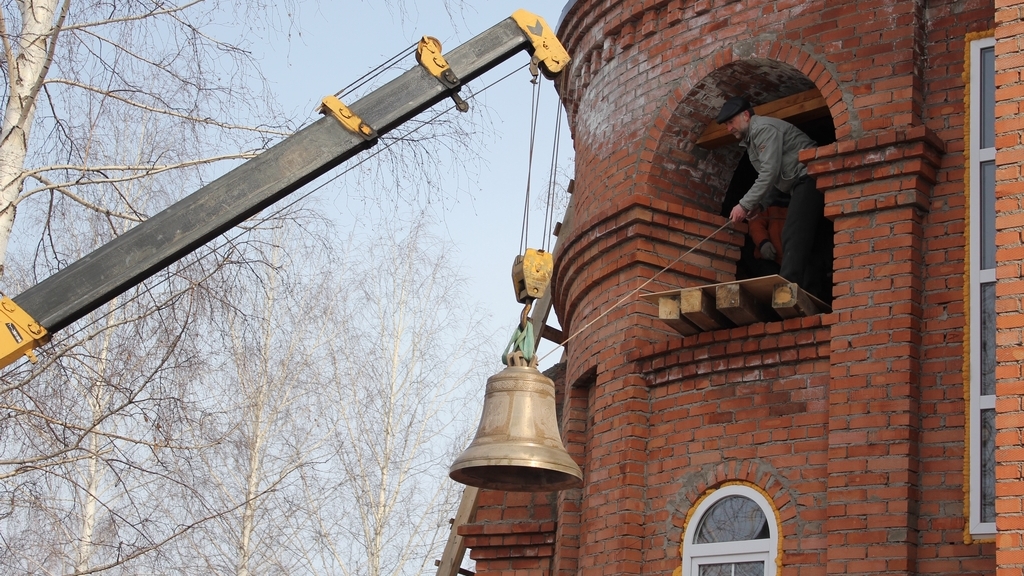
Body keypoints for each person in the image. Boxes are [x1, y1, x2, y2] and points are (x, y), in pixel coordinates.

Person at [716, 96, 824, 297]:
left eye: (731, 122)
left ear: (746, 115)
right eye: (726, 125)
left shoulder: (763, 130)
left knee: (792, 233)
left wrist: (744, 205)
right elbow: (777, 180)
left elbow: (769, 173)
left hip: (811, 176)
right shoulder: (752, 141)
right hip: (802, 181)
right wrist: (760, 206)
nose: (729, 128)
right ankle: (813, 292)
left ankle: (786, 289)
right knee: (809, 237)